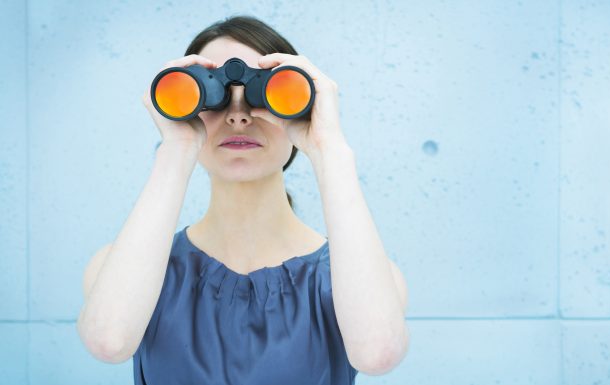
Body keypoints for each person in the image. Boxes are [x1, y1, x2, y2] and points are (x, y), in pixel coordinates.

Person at [76, 15, 409, 385]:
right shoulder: (125, 269)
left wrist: (329, 149)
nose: (238, 116)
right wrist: (177, 148)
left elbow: (378, 353)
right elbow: (108, 341)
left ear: (303, 105)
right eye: (213, 95)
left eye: (263, 94)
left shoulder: (357, 278)